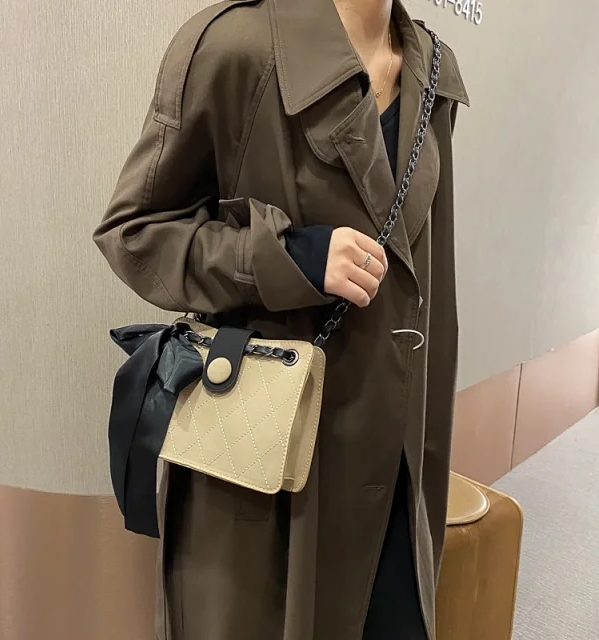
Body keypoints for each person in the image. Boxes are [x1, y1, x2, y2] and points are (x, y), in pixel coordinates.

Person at [94, 0, 469, 638]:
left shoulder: (431, 68)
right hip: (266, 465)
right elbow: (136, 233)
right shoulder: (234, 48)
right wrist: (289, 256)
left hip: (394, 463)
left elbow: (430, 279)